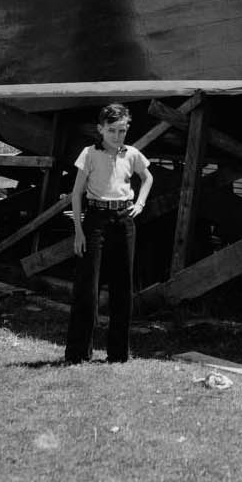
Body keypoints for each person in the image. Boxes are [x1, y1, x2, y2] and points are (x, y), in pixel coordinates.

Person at [64, 103, 152, 364]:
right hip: (95, 221)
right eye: (112, 130)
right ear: (100, 129)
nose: (117, 136)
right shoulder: (89, 154)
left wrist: (141, 204)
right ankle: (78, 353)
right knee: (87, 288)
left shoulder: (132, 154)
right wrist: (78, 231)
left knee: (122, 288)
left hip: (124, 220)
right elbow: (76, 193)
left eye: (122, 131)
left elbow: (147, 178)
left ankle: (118, 355)